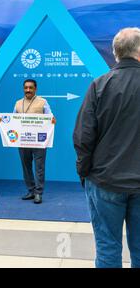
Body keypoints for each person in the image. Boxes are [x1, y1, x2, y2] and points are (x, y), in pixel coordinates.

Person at [73, 27, 140, 268]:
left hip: (104, 181)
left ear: (116, 54)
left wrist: (84, 172)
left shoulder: (100, 85)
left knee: (107, 249)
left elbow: (83, 137)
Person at [0, 79, 55, 204]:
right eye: (26, 88)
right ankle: (31, 190)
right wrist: (2, 120)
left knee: (39, 167)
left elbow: (50, 116)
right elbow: (12, 119)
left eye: (30, 88)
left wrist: (52, 120)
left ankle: (39, 193)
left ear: (35, 89)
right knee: (26, 167)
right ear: (23, 89)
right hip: (23, 141)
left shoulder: (43, 102)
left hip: (39, 142)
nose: (28, 90)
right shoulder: (18, 103)